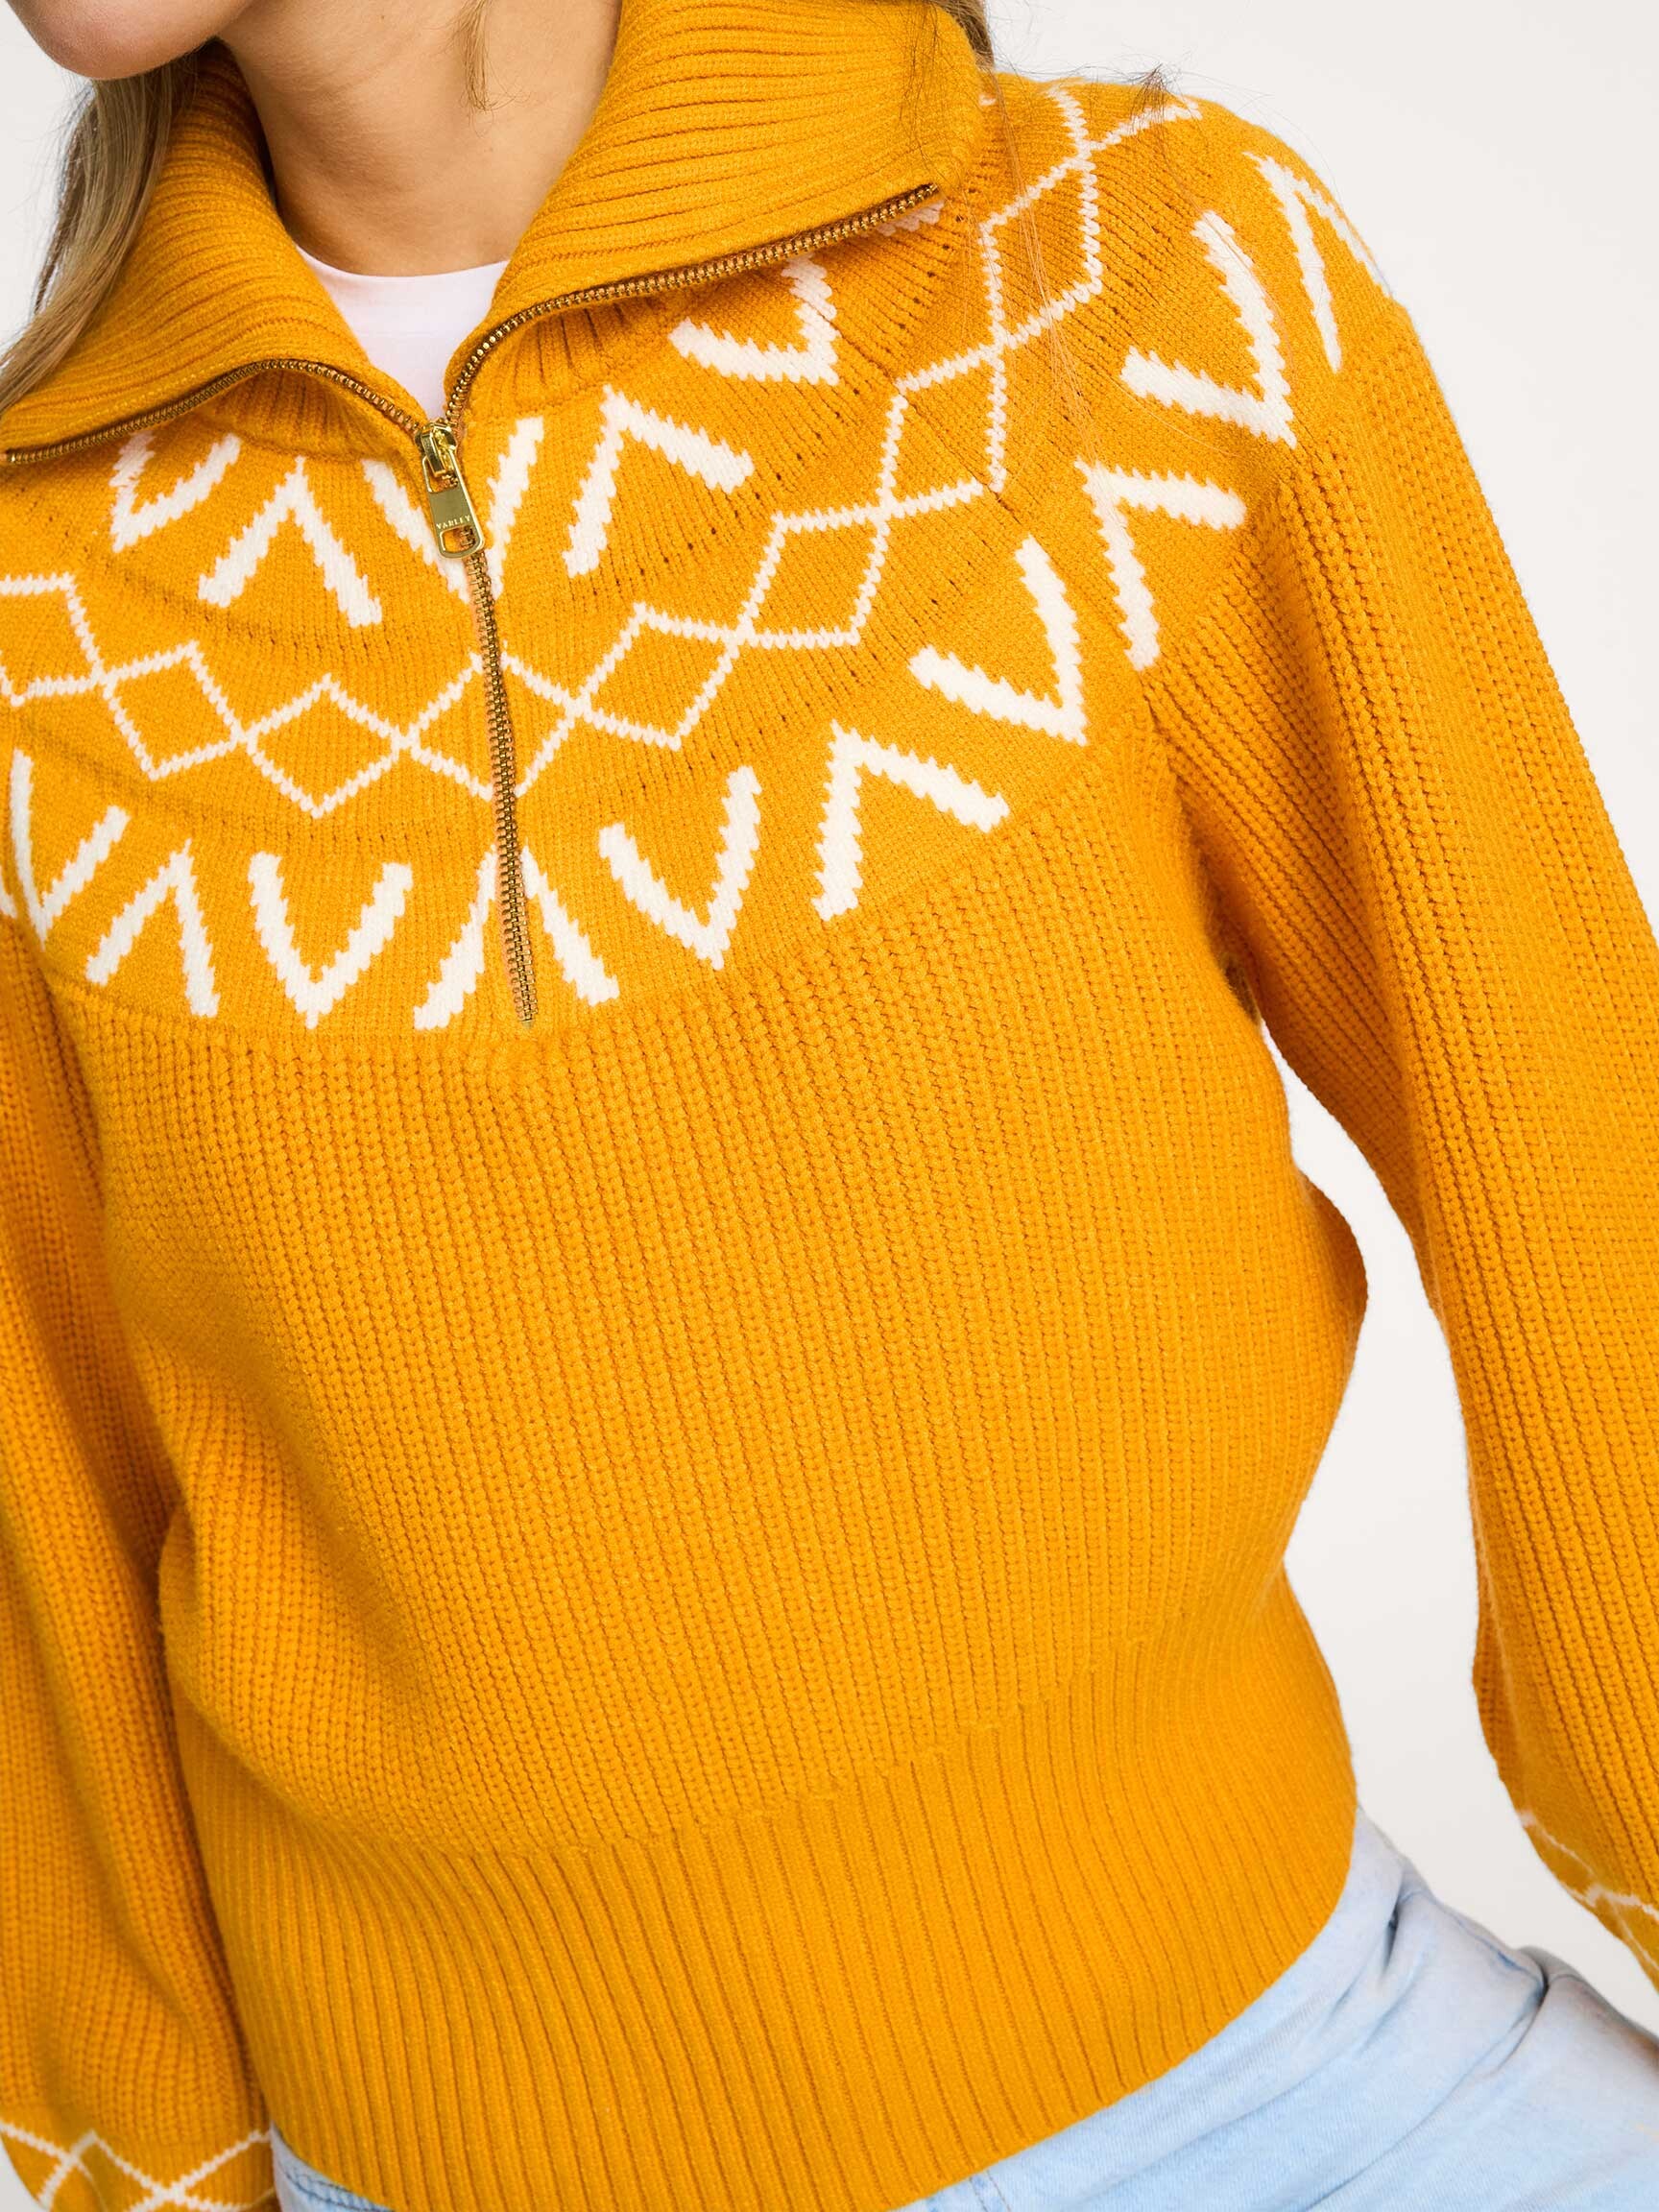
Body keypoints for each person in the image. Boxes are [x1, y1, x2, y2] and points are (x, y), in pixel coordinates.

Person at [0, 0, 1655, 2207]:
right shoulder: (32, 595)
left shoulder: (1124, 284)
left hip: (1304, 2099)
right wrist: (148, 2167)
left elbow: (1573, 1169)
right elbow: (46, 1502)